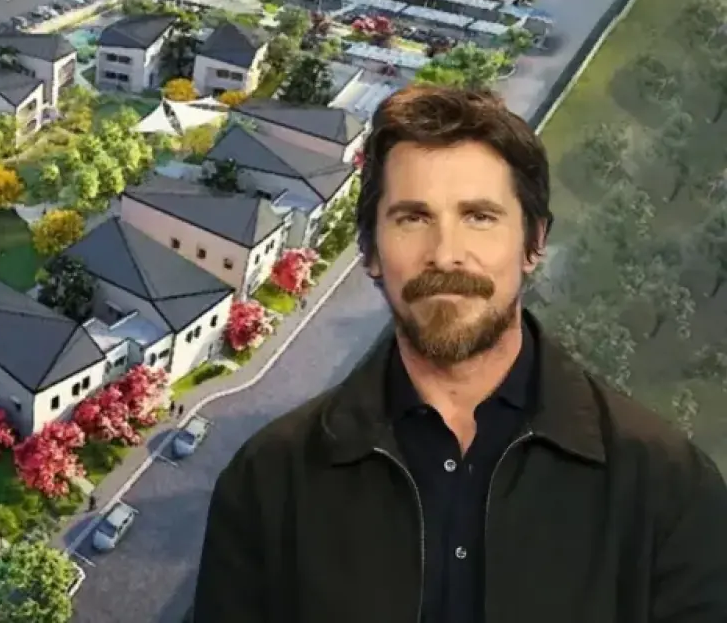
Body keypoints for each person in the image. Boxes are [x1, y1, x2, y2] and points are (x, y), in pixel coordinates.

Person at [193, 86, 727, 623]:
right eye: (412, 218)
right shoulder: (268, 481)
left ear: (534, 243)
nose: (446, 254)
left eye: (479, 216)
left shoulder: (668, 488)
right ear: (371, 252)